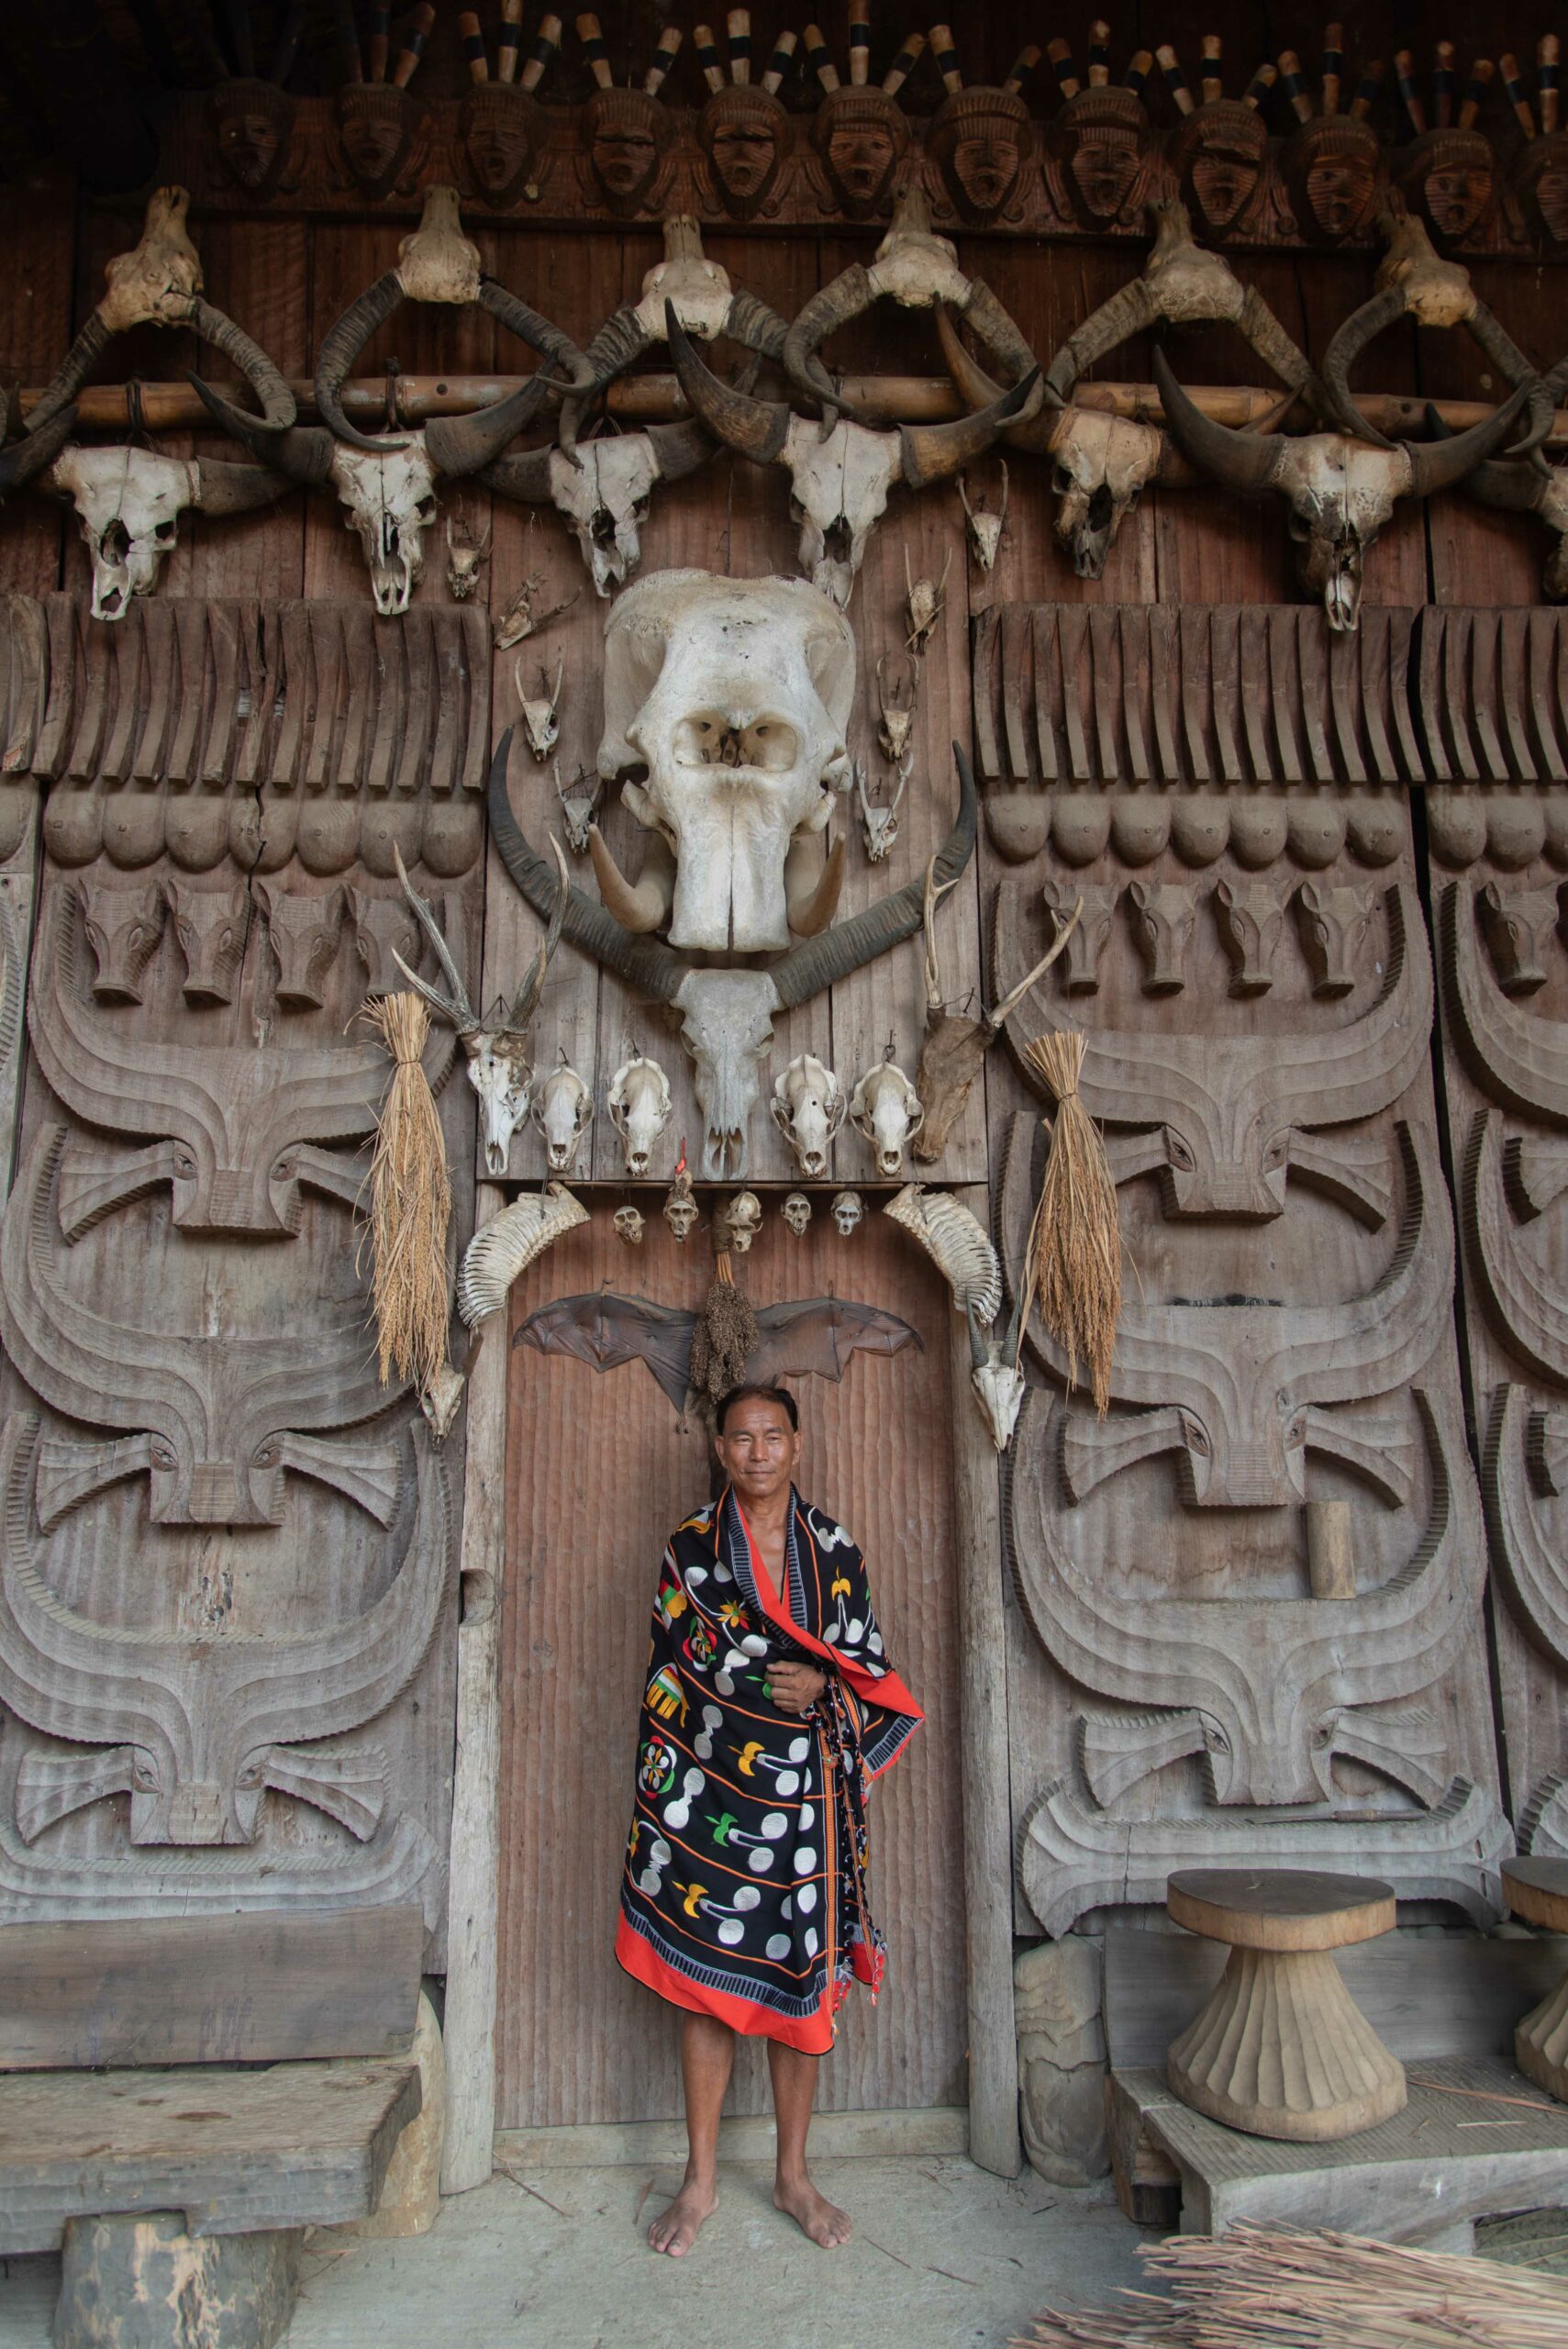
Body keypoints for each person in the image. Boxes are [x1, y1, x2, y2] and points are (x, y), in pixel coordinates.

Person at [616, 1384, 922, 2257]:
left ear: (797, 1445)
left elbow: (869, 1671)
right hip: (709, 1790)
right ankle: (700, 2181)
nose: (758, 1453)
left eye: (773, 1436)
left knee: (798, 1986)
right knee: (706, 1987)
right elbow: (673, 1669)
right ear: (719, 1449)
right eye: (742, 1438)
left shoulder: (834, 1551)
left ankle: (792, 2176)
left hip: (806, 1805)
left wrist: (823, 1686)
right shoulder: (689, 1548)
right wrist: (745, 1697)